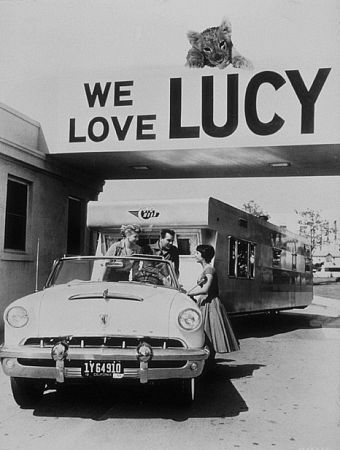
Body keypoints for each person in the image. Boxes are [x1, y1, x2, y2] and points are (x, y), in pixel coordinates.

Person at [187, 244, 239, 356]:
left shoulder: (209, 269)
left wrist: (189, 293)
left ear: (203, 256)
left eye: (197, 253)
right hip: (205, 302)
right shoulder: (205, 269)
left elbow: (206, 289)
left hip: (210, 303)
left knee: (208, 331)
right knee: (204, 331)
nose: (195, 255)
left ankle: (209, 359)